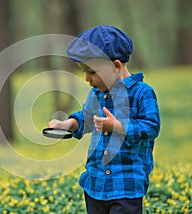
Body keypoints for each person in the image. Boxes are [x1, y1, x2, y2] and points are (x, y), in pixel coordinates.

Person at [48, 25, 160, 214]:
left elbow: (151, 127)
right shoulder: (97, 94)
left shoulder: (143, 93)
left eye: (91, 72)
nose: (86, 78)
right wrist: (67, 124)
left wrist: (117, 126)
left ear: (116, 66)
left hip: (126, 185)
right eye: (84, 71)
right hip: (96, 183)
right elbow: (86, 118)